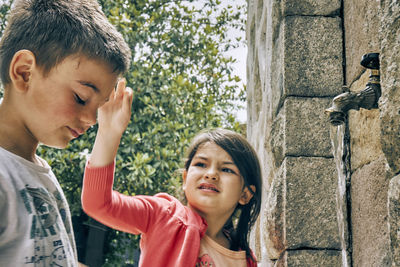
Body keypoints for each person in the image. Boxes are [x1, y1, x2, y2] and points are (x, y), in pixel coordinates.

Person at [0, 0, 131, 266]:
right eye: (82, 98)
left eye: (100, 106)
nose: (91, 120)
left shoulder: (36, 170)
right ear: (24, 72)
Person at [81, 83, 262, 266]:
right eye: (201, 164)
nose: (211, 174)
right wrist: (108, 133)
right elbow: (98, 203)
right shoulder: (163, 214)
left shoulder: (245, 258)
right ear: (185, 179)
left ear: (245, 194)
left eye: (226, 169)